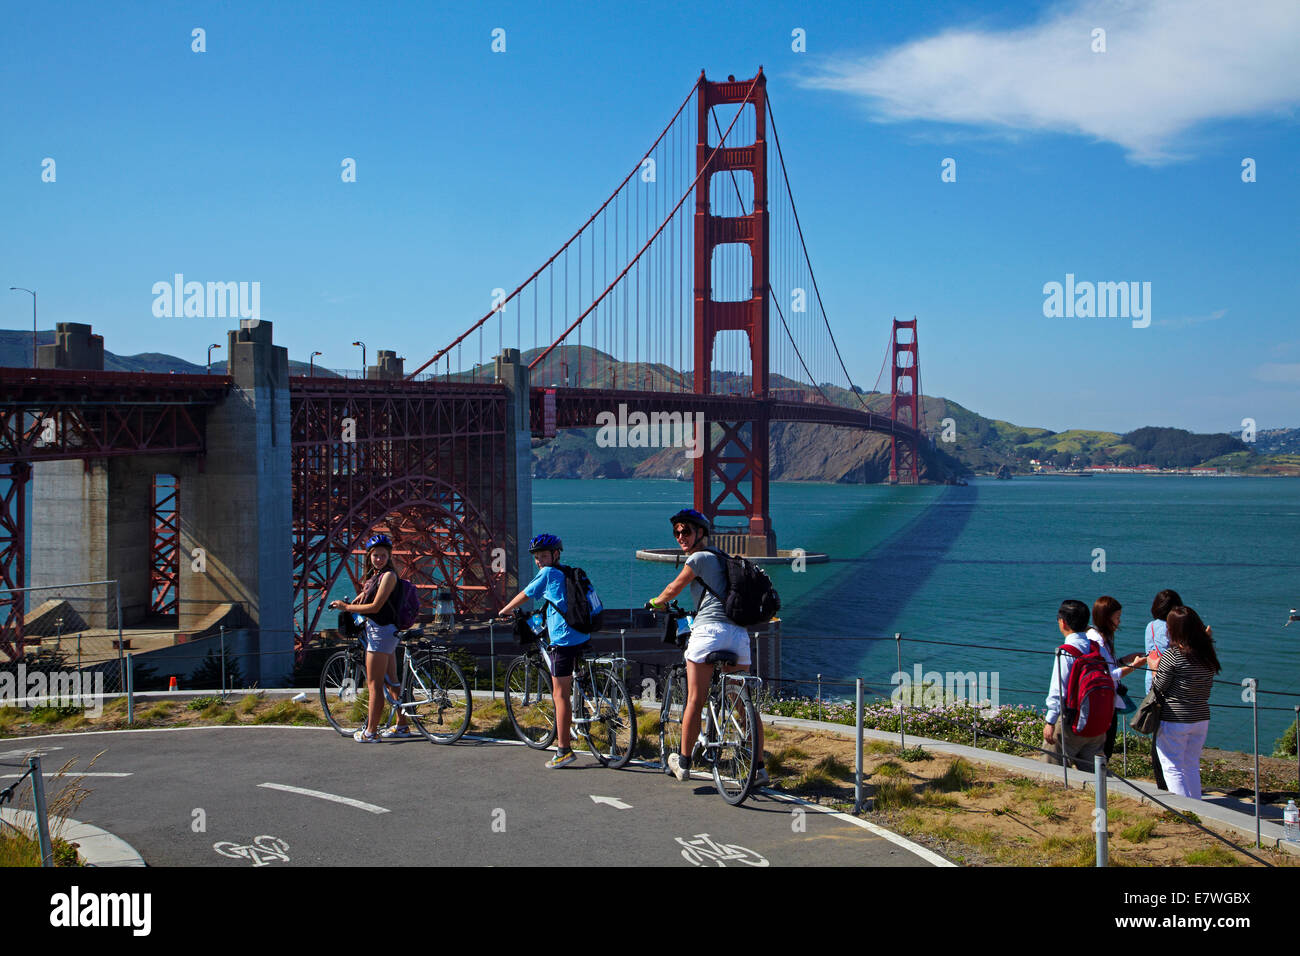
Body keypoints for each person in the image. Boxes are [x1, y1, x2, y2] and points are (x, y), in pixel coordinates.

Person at [647, 508, 767, 787]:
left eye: (686, 531)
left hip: (709, 632)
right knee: (741, 701)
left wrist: (655, 602)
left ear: (701, 533)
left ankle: (684, 762)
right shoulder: (728, 559)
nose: (680, 536)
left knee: (695, 698)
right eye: (677, 532)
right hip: (738, 634)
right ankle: (759, 769)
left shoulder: (698, 558)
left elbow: (672, 589)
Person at [498, 533, 590, 769]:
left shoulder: (548, 574)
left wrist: (505, 610)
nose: (539, 561)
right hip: (582, 634)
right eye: (537, 557)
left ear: (555, 555)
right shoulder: (567, 572)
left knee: (560, 695)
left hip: (563, 639)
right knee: (572, 683)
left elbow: (527, 593)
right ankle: (584, 720)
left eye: (543, 556)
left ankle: (563, 750)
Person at [328, 534, 412, 742]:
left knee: (374, 684)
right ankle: (402, 724)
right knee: (392, 682)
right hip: (383, 632)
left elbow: (375, 607)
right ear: (370, 556)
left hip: (381, 633)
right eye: (376, 555)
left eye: (383, 555)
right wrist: (347, 604)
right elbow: (364, 599)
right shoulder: (375, 576)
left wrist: (346, 607)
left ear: (389, 556)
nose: (379, 559)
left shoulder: (388, 576)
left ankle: (370, 732)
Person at [1152, 606, 1220, 799]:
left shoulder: (1172, 656)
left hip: (1175, 718)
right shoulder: (1207, 655)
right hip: (1200, 718)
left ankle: (1183, 812)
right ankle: (1197, 807)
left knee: (1172, 766)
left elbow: (1158, 687)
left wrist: (1153, 668)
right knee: (1190, 765)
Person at [1043, 599, 1108, 770]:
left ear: (1062, 622)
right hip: (1096, 720)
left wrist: (1050, 722)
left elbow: (1059, 690)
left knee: (1052, 771)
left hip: (1070, 723)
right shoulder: (1095, 647)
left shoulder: (1066, 651)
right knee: (1095, 776)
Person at [1086, 596, 1147, 759]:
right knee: (1104, 748)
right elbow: (1109, 674)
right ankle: (1098, 780)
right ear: (1107, 618)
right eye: (1117, 618)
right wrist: (1134, 666)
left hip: (1107, 699)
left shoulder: (1103, 637)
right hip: (1102, 700)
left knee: (1107, 746)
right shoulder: (1096, 640)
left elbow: (1108, 666)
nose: (1119, 622)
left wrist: (1123, 660)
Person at [1143, 588, 1183, 790]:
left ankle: (1163, 782)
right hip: (1170, 685)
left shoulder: (1150, 626)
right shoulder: (1173, 627)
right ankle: (1169, 783)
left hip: (1152, 685)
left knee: (1158, 735)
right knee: (1170, 739)